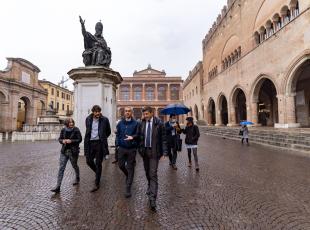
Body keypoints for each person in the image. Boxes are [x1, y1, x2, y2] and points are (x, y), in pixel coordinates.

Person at [138, 106, 168, 211]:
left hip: (155, 152)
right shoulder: (142, 123)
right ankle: (149, 185)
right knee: (147, 172)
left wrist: (164, 151)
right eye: (144, 114)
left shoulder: (159, 123)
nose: (145, 116)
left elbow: (164, 138)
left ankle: (152, 198)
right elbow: (139, 136)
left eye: (146, 114)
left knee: (153, 174)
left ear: (151, 113)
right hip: (144, 152)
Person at [84, 105, 111, 192]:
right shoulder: (88, 119)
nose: (97, 113)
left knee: (98, 163)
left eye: (99, 111)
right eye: (96, 112)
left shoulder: (105, 119)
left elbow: (108, 131)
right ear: (93, 112)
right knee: (88, 161)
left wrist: (102, 137)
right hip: (90, 143)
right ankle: (98, 173)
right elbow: (88, 131)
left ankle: (97, 183)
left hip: (99, 143)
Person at [51, 118, 82, 193]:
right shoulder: (63, 130)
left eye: (72, 122)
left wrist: (71, 141)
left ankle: (77, 177)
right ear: (66, 123)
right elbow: (60, 139)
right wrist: (63, 141)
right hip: (64, 151)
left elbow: (80, 139)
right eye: (69, 122)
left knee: (74, 165)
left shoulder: (76, 129)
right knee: (61, 168)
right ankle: (58, 186)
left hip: (73, 151)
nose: (71, 123)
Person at [116, 107, 139, 198]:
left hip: (131, 148)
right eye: (126, 111)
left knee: (131, 167)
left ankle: (128, 188)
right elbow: (117, 134)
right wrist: (118, 143)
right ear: (124, 112)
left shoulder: (136, 123)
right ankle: (128, 176)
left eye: (129, 111)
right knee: (121, 165)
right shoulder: (120, 123)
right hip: (121, 148)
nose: (127, 112)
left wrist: (132, 137)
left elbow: (138, 134)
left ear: (131, 112)